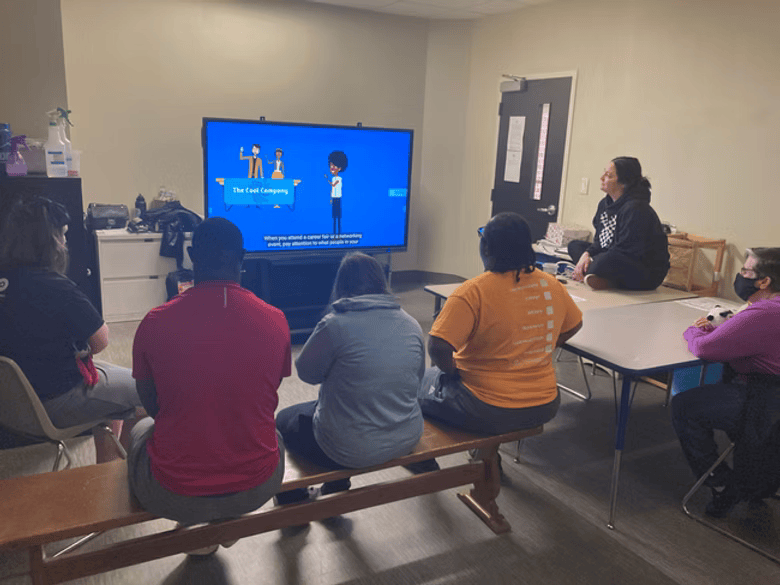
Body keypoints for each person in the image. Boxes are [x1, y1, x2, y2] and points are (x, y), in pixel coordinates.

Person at [128, 217, 290, 551]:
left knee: (137, 427)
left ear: (190, 255)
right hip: (258, 486)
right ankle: (224, 519)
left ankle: (196, 522)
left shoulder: (154, 322)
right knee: (271, 430)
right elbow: (268, 392)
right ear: (242, 259)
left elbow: (154, 406)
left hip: (171, 491)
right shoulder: (276, 320)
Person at [0, 196, 143, 463]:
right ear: (48, 241)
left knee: (113, 383)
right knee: (145, 387)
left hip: (11, 406)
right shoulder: (56, 287)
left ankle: (107, 468)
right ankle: (121, 475)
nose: (65, 243)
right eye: (61, 235)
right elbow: (101, 341)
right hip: (55, 402)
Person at [275, 252, 425, 503]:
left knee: (284, 419)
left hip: (348, 449)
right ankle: (336, 484)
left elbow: (307, 373)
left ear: (341, 285)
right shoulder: (411, 323)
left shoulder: (334, 325)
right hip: (407, 436)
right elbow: (417, 380)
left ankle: (294, 499)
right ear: (381, 283)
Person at [418, 212, 583, 437]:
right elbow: (574, 325)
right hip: (545, 404)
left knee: (416, 383)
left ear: (486, 249)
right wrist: (539, 348)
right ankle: (487, 458)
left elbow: (438, 347)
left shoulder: (473, 292)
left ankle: (422, 461)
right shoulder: (552, 285)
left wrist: (452, 370)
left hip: (487, 406)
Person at [671, 247, 780, 517]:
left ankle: (720, 481)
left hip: (765, 398)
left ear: (764, 281)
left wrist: (694, 330)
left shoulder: (763, 313)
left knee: (685, 406)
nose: (741, 275)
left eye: (746, 271)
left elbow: (705, 349)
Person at [568, 157, 669, 290]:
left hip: (643, 268)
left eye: (609, 176)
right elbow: (599, 241)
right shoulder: (604, 204)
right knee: (574, 246)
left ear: (623, 183)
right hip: (614, 256)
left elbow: (626, 251)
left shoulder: (636, 208)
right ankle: (599, 276)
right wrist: (587, 254)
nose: (602, 178)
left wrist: (593, 260)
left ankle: (600, 276)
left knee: (603, 261)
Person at [325, 150, 347, 236]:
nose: (332, 168)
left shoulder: (339, 178)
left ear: (340, 168)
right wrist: (331, 198)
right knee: (334, 218)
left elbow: (334, 185)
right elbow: (332, 189)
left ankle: (339, 234)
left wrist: (327, 180)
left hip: (338, 199)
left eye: (334, 166)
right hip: (334, 199)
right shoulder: (333, 178)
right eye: (331, 165)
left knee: (338, 218)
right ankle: (334, 234)